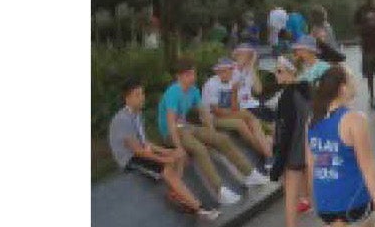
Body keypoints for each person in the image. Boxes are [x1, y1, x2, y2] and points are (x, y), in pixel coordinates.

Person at [307, 65, 375, 227]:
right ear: (342, 88)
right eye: (351, 80)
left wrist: (316, 204)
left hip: (328, 202)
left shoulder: (313, 121)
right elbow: (368, 167)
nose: (355, 84)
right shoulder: (354, 120)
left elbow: (313, 166)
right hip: (354, 200)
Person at [156, 57, 257, 206]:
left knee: (221, 139)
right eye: (188, 75)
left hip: (186, 127)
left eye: (193, 74)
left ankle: (249, 173)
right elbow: (171, 122)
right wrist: (178, 147)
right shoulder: (173, 92)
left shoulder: (194, 90)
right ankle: (220, 190)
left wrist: (211, 134)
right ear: (179, 76)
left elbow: (204, 113)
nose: (192, 78)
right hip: (170, 133)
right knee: (199, 149)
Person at [109, 82, 217, 217]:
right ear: (127, 99)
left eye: (142, 94)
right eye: (137, 95)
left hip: (141, 152)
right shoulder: (122, 120)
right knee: (167, 168)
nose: (142, 97)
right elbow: (137, 151)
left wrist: (170, 152)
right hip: (129, 159)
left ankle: (175, 193)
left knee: (180, 154)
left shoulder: (137, 114)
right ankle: (199, 208)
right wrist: (164, 158)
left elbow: (145, 143)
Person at [265, 55, 314, 227]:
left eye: (279, 71)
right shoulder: (307, 91)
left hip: (293, 151)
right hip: (308, 147)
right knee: (313, 189)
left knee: (291, 195)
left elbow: (285, 131)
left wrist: (278, 162)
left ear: (290, 72)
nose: (275, 74)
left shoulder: (287, 96)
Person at [202, 57, 276, 168]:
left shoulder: (233, 81)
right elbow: (216, 111)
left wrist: (234, 91)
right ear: (217, 72)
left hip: (227, 113)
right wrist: (237, 114)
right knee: (241, 123)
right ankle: (267, 154)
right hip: (212, 117)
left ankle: (267, 154)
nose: (225, 73)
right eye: (221, 71)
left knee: (251, 118)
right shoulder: (212, 84)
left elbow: (235, 107)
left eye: (228, 70)